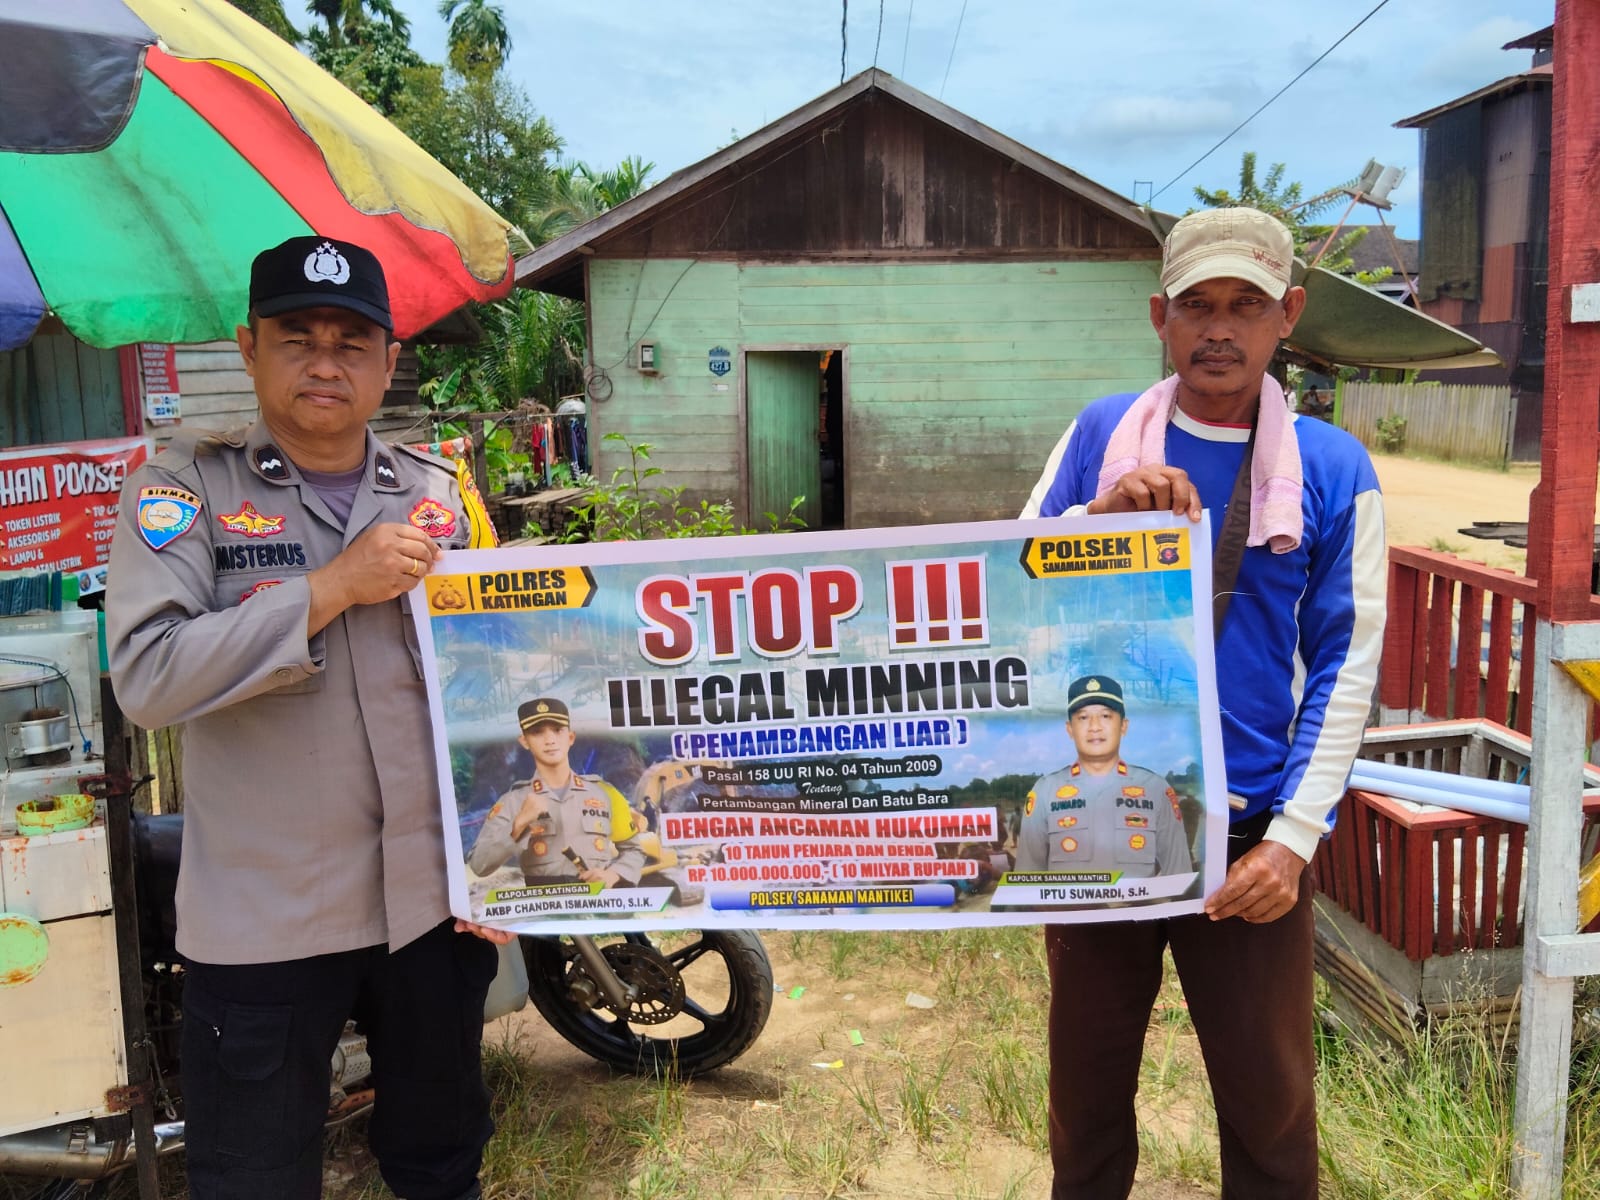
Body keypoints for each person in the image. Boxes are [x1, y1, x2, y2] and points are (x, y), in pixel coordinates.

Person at [106, 235, 507, 1200]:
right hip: (265, 921)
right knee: (255, 1179)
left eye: (351, 341)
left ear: (388, 361)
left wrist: (507, 873)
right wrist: (328, 589)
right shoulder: (183, 491)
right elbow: (148, 677)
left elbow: (492, 684)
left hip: (429, 909)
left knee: (441, 1162)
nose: (326, 362)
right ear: (250, 348)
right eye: (298, 337)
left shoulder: (437, 494)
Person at [1020, 207, 1385, 1199]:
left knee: (1270, 1106)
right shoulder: (1101, 435)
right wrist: (1095, 518)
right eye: (1197, 305)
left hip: (1247, 841)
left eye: (1246, 305)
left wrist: (1292, 841)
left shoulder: (1332, 467)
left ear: (1287, 315)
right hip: (1102, 824)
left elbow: (1347, 663)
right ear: (1161, 317)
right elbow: (1014, 589)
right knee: (1085, 1092)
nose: (1219, 329)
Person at [1015, 675, 1193, 878]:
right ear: (1070, 729)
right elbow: (1027, 878)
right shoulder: (1045, 791)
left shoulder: (1155, 789)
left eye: (1106, 716)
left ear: (1123, 725)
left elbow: (1180, 875)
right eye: (1083, 718)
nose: (1094, 726)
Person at [467, 697, 648, 886]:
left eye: (557, 730)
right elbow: (479, 865)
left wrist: (612, 875)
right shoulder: (514, 800)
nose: (550, 740)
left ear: (570, 737)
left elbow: (634, 849)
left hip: (596, 899)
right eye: (537, 732)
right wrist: (519, 824)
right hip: (543, 902)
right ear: (525, 741)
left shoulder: (603, 793)